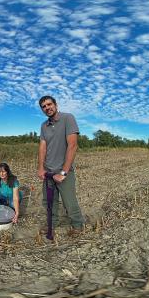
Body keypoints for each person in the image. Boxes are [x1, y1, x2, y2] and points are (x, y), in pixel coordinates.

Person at [37, 95, 85, 237]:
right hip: (48, 172)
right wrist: (41, 168)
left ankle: (77, 225)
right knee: (49, 202)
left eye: (49, 104)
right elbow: (42, 147)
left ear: (56, 105)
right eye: (44, 106)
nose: (47, 108)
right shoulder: (44, 126)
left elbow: (73, 145)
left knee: (69, 201)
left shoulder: (67, 118)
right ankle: (52, 223)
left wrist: (63, 172)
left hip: (64, 171)